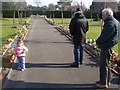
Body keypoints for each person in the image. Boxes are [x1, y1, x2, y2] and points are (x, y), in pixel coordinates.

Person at [96, 8, 120, 88]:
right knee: (108, 64)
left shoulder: (110, 23)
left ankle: (103, 83)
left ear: (107, 15)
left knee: (104, 64)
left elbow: (104, 36)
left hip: (107, 45)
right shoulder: (115, 22)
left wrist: (98, 42)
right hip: (110, 44)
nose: (102, 17)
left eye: (103, 15)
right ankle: (107, 81)